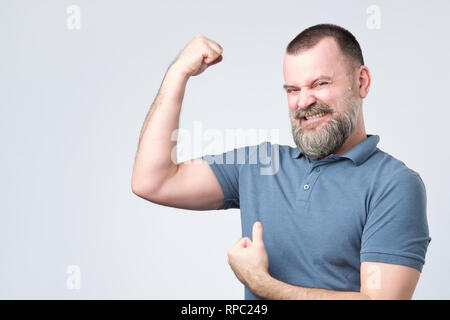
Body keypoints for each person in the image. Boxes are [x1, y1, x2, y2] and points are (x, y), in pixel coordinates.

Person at [131, 24, 431, 300]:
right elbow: (153, 181)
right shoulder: (260, 164)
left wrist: (261, 283)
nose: (303, 102)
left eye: (320, 83)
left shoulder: (394, 184)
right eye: (293, 90)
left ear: (362, 82)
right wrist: (177, 74)